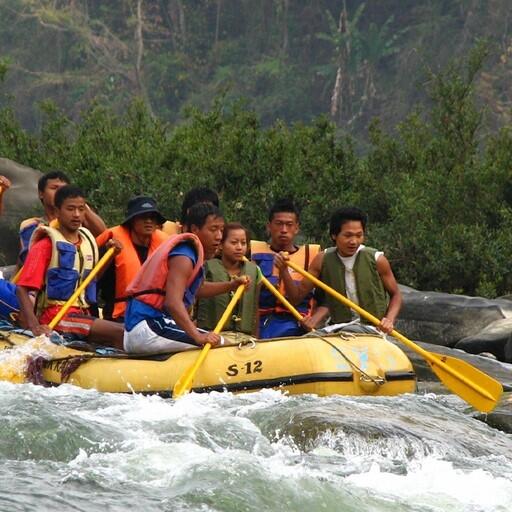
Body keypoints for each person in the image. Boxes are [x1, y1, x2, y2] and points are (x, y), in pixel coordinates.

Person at [123, 202, 249, 354]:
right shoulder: (185, 255)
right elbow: (173, 302)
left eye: (221, 230)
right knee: (223, 345)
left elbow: (199, 289)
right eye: (213, 229)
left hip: (153, 325)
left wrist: (231, 285)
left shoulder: (191, 254)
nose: (219, 236)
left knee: (221, 341)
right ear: (195, 229)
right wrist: (197, 337)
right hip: (149, 326)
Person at [16, 185, 124, 348]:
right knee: (120, 332)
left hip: (81, 314)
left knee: (121, 332)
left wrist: (110, 256)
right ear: (58, 211)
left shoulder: (88, 242)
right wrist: (35, 327)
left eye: (81, 209)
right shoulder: (46, 245)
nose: (77, 215)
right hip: (55, 316)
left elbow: (91, 281)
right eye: (70, 209)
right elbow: (22, 289)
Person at [276, 206, 402, 334]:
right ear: (334, 235)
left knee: (350, 331)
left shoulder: (377, 259)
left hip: (372, 328)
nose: (354, 241)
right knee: (308, 341)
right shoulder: (322, 260)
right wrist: (284, 271)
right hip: (336, 327)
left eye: (359, 235)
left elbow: (396, 295)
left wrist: (389, 320)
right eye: (347, 235)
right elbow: (295, 298)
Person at [251, 199, 320, 338]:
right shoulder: (250, 253)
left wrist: (314, 320)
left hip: (298, 324)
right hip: (260, 323)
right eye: (278, 224)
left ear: (297, 228)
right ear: (269, 226)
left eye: (289, 225)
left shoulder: (312, 256)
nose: (284, 230)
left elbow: (325, 300)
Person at [96, 196, 168, 322]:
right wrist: (109, 255)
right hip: (120, 316)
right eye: (143, 217)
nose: (149, 221)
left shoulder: (165, 246)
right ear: (132, 220)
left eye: (152, 217)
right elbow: (94, 280)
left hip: (154, 315)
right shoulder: (112, 245)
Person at [18, 171, 106, 264]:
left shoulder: (78, 223)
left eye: (63, 189)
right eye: (54, 188)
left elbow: (104, 233)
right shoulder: (31, 225)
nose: (59, 192)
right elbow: (28, 259)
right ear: (41, 194)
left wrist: (79, 204)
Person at [196, 222, 259, 335]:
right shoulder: (206, 267)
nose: (239, 247)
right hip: (212, 336)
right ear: (221, 244)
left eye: (243, 243)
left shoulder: (254, 271)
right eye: (234, 243)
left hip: (245, 338)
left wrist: (256, 337)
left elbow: (255, 308)